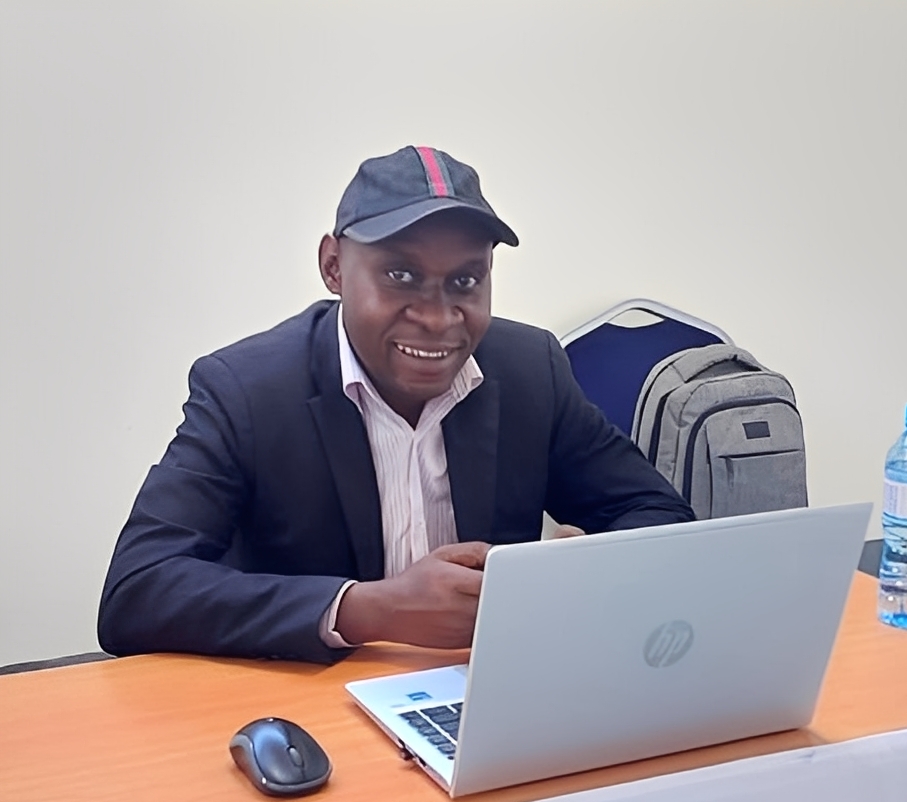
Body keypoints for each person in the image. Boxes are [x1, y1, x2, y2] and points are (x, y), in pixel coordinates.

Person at [98, 146, 694, 664]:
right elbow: (137, 589)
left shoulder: (529, 369)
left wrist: (583, 571)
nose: (437, 318)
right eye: (402, 276)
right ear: (333, 266)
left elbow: (658, 514)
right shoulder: (247, 391)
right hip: (312, 705)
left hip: (484, 695)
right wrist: (368, 609)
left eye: (465, 282)